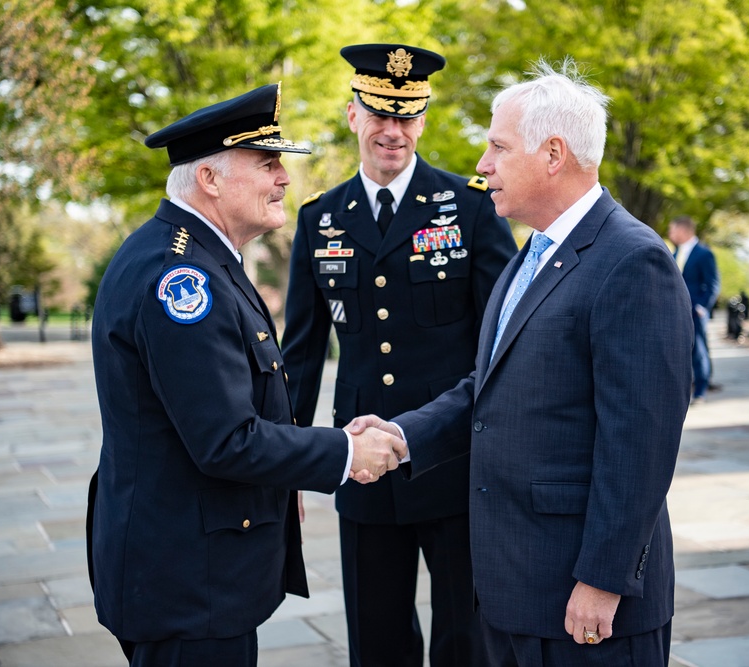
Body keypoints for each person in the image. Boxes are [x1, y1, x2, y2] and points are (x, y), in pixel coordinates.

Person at [349, 59, 693, 667]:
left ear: (553, 154)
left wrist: (604, 580)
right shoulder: (533, 252)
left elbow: (641, 441)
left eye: (498, 148)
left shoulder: (631, 260)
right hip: (517, 592)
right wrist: (403, 434)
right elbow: (491, 388)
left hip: (583, 603)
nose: (482, 165)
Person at [87, 83, 405, 667]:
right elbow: (226, 439)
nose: (284, 177)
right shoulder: (183, 280)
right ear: (210, 179)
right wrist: (343, 452)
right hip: (189, 585)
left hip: (192, 574)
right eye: (267, 162)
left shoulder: (197, 257)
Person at [283, 43, 517, 667]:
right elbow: (301, 353)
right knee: (376, 637)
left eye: (407, 116)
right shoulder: (320, 219)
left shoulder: (471, 207)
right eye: (379, 115)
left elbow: (504, 340)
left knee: (467, 641)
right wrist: (290, 461)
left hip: (456, 461)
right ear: (353, 115)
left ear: (423, 120)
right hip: (363, 467)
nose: (394, 132)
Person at [668, 215, 720, 404]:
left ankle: (700, 391)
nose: (670, 234)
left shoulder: (704, 253)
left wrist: (702, 307)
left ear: (683, 230)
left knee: (698, 351)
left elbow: (713, 284)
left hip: (695, 311)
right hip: (676, 311)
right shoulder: (674, 253)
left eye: (672, 230)